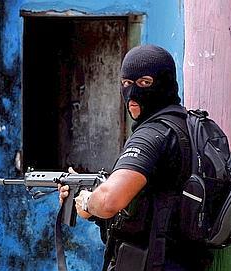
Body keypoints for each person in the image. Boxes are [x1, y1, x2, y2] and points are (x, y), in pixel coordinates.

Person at [59, 45, 212, 270]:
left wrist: (87, 201)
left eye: (144, 82)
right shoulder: (186, 127)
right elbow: (153, 205)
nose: (132, 93)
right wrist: (91, 207)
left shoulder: (151, 135)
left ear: (166, 82)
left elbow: (110, 201)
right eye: (126, 83)